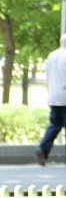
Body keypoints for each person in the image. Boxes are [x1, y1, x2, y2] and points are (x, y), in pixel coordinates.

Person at [35, 33, 66, 165]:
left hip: (54, 96)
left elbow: (47, 76)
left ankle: (43, 149)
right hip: (64, 95)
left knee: (55, 125)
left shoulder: (51, 56)